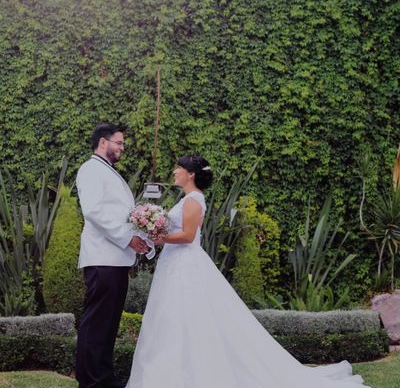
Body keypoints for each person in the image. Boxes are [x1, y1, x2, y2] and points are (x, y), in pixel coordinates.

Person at [126, 154, 370, 388]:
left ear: (190, 174)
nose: (174, 172)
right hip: (174, 263)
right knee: (172, 318)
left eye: (178, 168)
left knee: (188, 317)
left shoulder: (193, 200)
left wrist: (160, 238)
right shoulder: (187, 198)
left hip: (184, 264)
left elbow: (189, 236)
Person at [75, 122, 152, 388]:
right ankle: (92, 382)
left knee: (107, 325)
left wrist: (140, 237)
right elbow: (94, 212)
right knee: (97, 323)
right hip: (102, 259)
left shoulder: (105, 171)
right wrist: (127, 238)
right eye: (119, 143)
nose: (122, 148)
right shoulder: (91, 170)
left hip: (115, 260)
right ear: (103, 142)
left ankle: (103, 379)